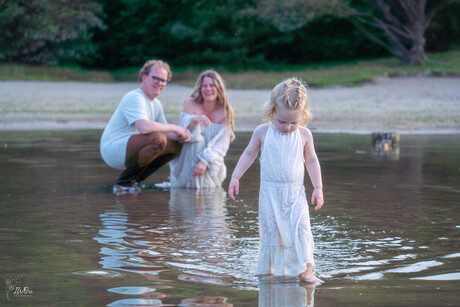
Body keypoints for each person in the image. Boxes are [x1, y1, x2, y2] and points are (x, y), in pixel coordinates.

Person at [228, 77, 324, 283]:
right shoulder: (262, 132)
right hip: (270, 196)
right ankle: (270, 271)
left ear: (303, 117)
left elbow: (312, 161)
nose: (288, 127)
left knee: (302, 230)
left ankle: (306, 270)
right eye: (282, 121)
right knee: (273, 235)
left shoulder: (305, 135)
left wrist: (318, 187)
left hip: (295, 194)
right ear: (271, 112)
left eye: (294, 122)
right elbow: (248, 154)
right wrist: (235, 176)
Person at [100, 59, 190, 194]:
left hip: (131, 146)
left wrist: (182, 134)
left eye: (163, 80)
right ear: (144, 77)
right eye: (156, 78)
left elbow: (166, 132)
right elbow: (144, 127)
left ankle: (135, 180)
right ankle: (122, 183)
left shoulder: (156, 104)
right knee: (158, 139)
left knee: (175, 145)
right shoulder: (135, 97)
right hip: (113, 148)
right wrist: (174, 127)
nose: (159, 83)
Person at [169, 69, 234, 188]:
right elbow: (182, 135)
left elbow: (222, 145)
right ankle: (189, 188)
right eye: (205, 86)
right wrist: (193, 120)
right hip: (188, 157)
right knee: (198, 141)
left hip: (212, 160)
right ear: (200, 88)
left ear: (218, 88)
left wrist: (204, 160)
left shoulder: (225, 110)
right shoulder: (191, 103)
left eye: (212, 85)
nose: (208, 89)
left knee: (208, 193)